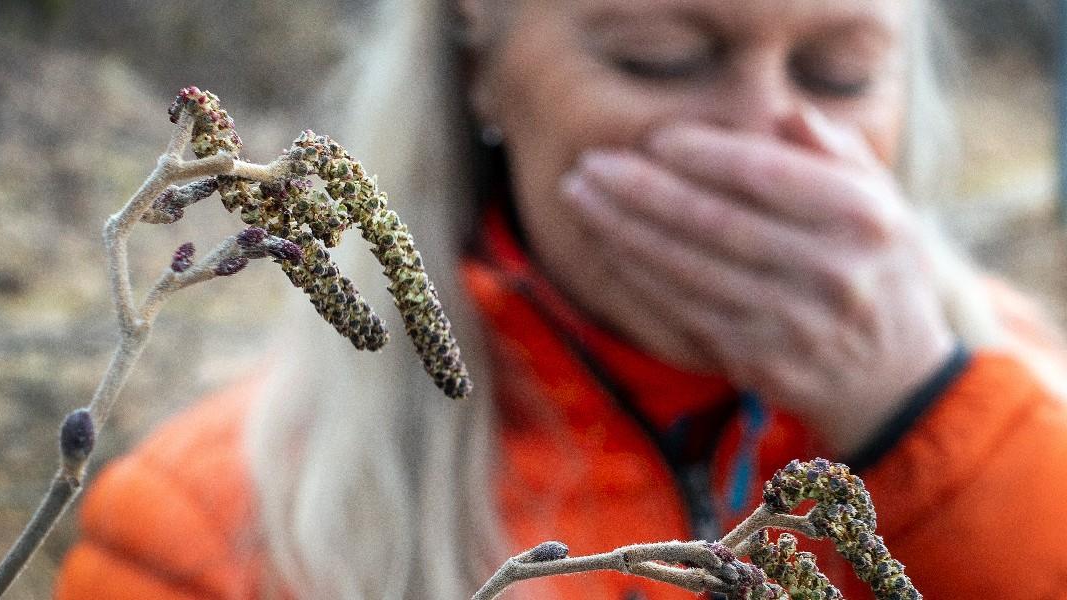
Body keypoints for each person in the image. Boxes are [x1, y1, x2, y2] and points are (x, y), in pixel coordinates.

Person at [55, 0, 1067, 598]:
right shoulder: (219, 530)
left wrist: (932, 427)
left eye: (838, 76)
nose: (769, 135)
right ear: (479, 69)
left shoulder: (1018, 393)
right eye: (657, 58)